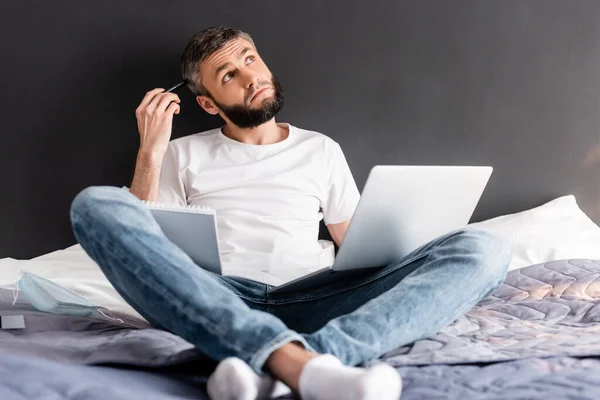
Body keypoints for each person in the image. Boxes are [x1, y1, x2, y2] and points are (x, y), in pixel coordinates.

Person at [69, 26, 512, 400]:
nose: (250, 77)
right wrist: (150, 150)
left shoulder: (320, 149)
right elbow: (146, 247)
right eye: (229, 74)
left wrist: (411, 252)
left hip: (313, 297)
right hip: (219, 296)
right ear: (207, 103)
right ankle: (306, 368)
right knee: (96, 204)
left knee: (483, 246)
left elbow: (358, 248)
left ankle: (299, 358)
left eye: (250, 59)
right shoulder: (179, 153)